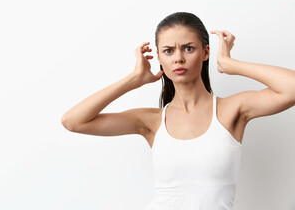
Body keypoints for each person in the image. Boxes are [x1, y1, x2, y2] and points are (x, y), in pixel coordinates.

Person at [61, 12, 295, 209]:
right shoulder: (151, 121)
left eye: (188, 48)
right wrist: (132, 79)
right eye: (169, 51)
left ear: (205, 53)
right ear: (160, 58)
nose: (179, 58)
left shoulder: (231, 110)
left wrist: (231, 64)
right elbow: (73, 121)